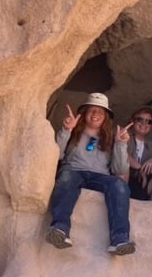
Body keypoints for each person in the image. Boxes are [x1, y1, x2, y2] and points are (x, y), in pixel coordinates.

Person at [45, 92, 136, 255]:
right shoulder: (73, 132)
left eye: (101, 111)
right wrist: (66, 130)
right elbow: (55, 155)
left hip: (100, 176)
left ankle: (120, 239)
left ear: (106, 117)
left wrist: (121, 145)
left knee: (119, 185)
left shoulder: (109, 138)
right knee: (66, 178)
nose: (96, 114)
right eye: (92, 110)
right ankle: (60, 229)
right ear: (85, 113)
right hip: (74, 171)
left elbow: (120, 169)